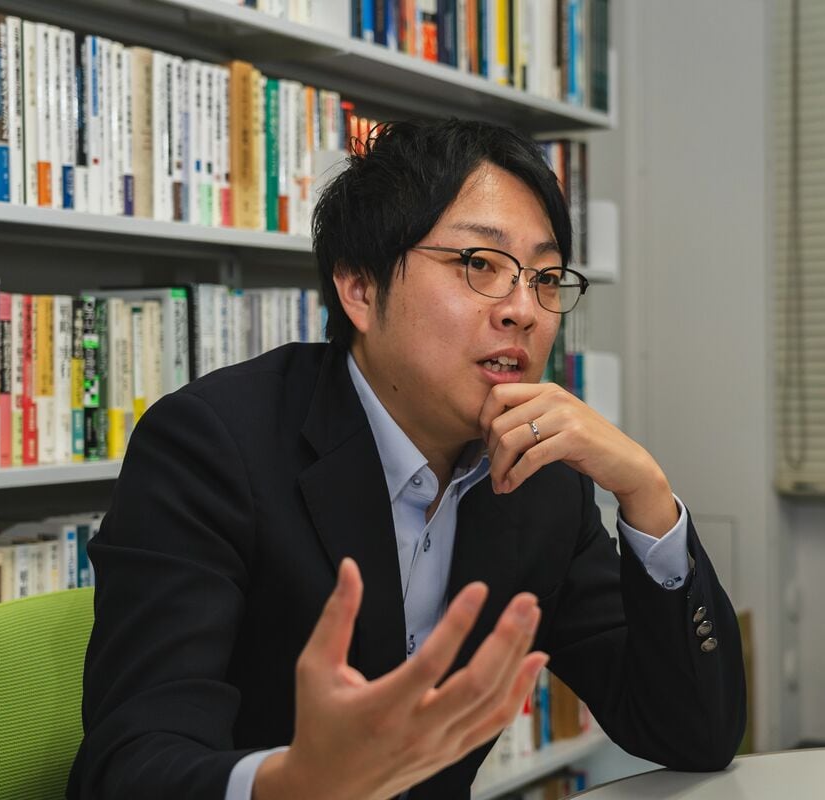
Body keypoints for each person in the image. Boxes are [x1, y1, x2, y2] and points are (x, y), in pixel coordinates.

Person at [67, 118, 746, 800]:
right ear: (360, 289)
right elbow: (127, 768)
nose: (523, 310)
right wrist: (291, 783)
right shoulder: (212, 447)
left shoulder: (540, 477)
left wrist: (646, 494)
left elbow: (694, 735)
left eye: (545, 278)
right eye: (479, 264)